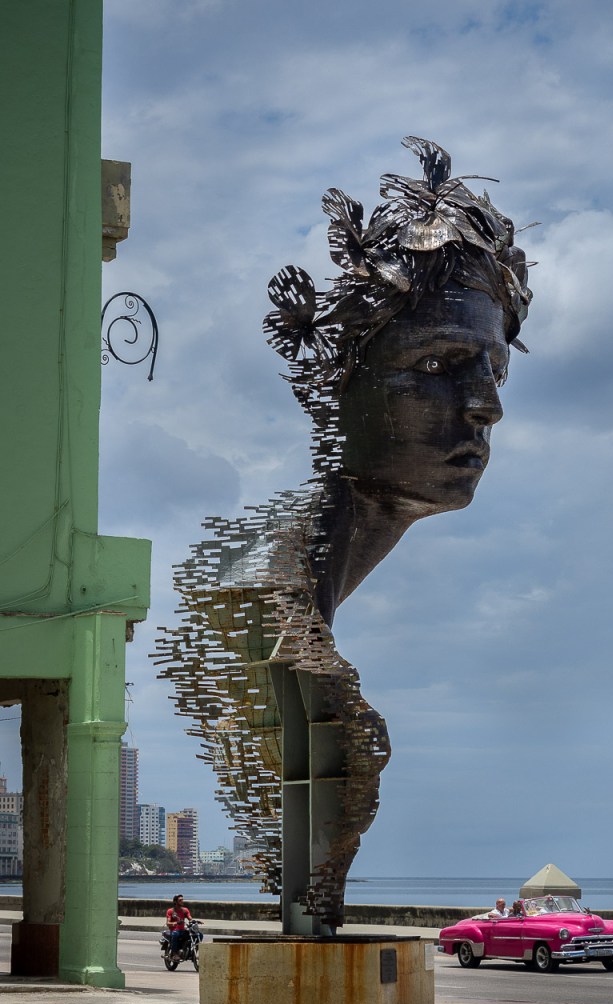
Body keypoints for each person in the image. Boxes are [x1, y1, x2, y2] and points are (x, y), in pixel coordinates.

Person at [158, 137, 533, 931]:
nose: (485, 405)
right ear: (336, 387)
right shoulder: (264, 589)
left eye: (492, 370)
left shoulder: (288, 585)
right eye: (438, 366)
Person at [165, 894, 194, 960]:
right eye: (180, 900)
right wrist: (176, 923)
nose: (182, 901)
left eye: (182, 900)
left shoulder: (185, 910)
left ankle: (190, 951)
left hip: (182, 930)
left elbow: (190, 918)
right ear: (175, 902)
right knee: (175, 934)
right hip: (175, 930)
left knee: (197, 934)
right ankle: (174, 953)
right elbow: (168, 923)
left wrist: (194, 921)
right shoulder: (171, 911)